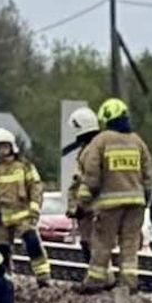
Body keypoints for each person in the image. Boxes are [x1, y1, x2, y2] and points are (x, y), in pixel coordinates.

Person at [72, 98, 152, 293]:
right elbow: (148, 174)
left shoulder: (101, 141)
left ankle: (95, 281)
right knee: (130, 244)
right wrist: (145, 198)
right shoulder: (138, 141)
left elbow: (92, 175)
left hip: (109, 205)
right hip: (136, 203)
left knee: (102, 243)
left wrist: (82, 203)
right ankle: (129, 282)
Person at [0, 127, 52, 286]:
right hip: (0, 218)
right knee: (1, 250)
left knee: (32, 243)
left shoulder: (24, 167)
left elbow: (36, 187)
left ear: (12, 146)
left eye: (4, 146)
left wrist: (34, 208)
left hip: (22, 214)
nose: (1, 150)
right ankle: (5, 278)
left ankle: (43, 276)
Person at [61, 105, 101, 263]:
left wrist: (79, 205)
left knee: (92, 245)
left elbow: (86, 180)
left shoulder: (92, 151)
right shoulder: (88, 149)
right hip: (86, 208)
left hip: (90, 208)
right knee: (87, 243)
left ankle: (99, 274)